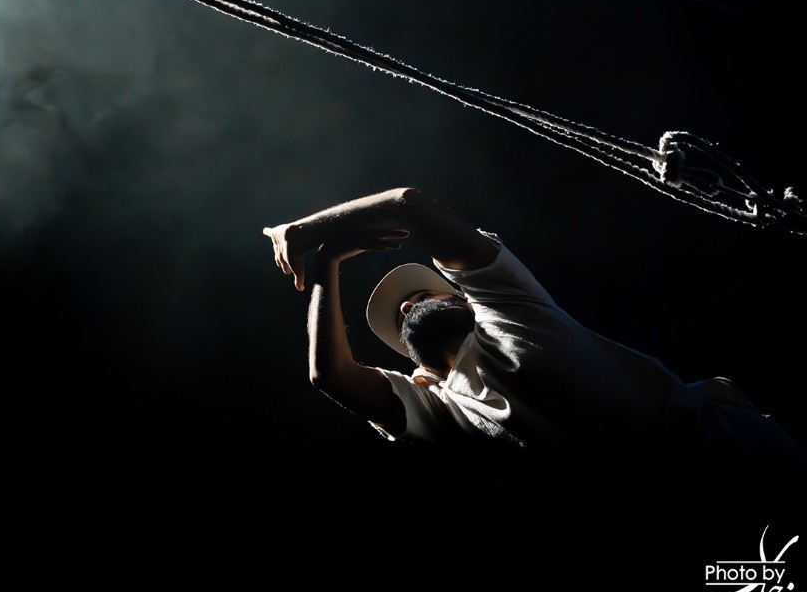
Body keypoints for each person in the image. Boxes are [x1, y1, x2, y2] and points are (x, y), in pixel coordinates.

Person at [261, 186, 807, 489]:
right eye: (402, 317)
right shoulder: (442, 410)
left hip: (732, 451)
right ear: (420, 370)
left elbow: (410, 205)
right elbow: (329, 375)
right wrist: (328, 265)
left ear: (467, 301)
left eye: (423, 294)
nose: (409, 305)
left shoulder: (509, 307)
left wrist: (305, 231)